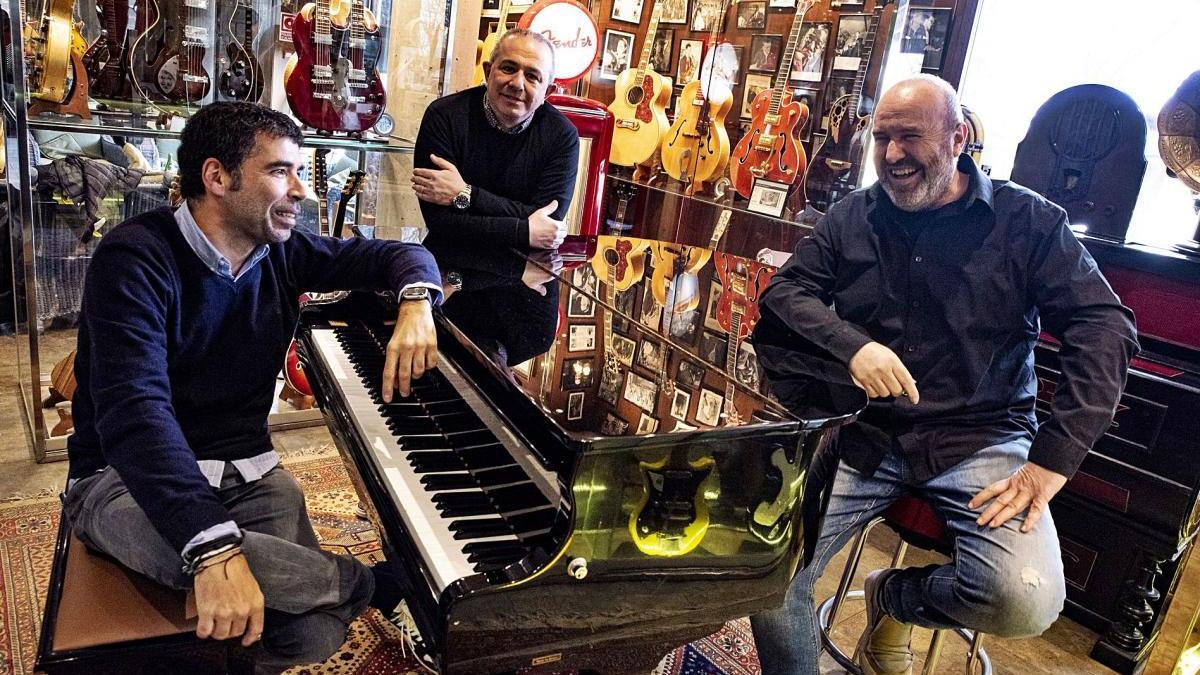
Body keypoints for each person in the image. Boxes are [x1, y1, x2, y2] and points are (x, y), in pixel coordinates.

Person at [749, 75, 1138, 675]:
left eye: (911, 137)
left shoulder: (1029, 222)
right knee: (764, 571)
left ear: (958, 138)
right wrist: (854, 348)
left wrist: (1053, 461)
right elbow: (787, 292)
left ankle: (891, 597)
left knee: (1023, 599)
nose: (893, 154)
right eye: (882, 138)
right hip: (869, 433)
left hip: (979, 435)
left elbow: (1105, 327)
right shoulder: (852, 215)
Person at [63, 102, 443, 674]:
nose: (303, 192)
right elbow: (135, 415)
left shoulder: (281, 251)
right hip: (121, 481)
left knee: (312, 635)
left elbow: (399, 253)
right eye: (280, 172)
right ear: (217, 177)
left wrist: (417, 301)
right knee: (249, 571)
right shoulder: (134, 257)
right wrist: (214, 546)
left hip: (244, 470)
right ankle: (390, 587)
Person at [413, 29, 579, 251]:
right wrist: (523, 230)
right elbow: (440, 222)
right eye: (509, 68)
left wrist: (465, 194)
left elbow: (549, 219)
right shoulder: (444, 116)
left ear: (548, 92)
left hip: (531, 270)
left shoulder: (563, 136)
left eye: (532, 76)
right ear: (488, 71)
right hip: (450, 262)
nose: (517, 83)